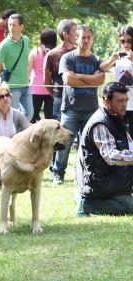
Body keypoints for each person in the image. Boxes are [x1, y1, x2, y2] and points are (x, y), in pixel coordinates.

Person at [52, 25, 105, 185]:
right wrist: (91, 78)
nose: (86, 40)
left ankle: (83, 174)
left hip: (91, 109)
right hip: (71, 108)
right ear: (77, 38)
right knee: (63, 143)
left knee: (89, 145)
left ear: (93, 39)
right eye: (83, 37)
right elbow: (68, 80)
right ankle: (58, 173)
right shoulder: (68, 58)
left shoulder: (97, 60)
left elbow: (101, 81)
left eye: (89, 37)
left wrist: (79, 77)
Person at [76, 82, 133, 215]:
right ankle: (86, 204)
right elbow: (111, 156)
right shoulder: (100, 123)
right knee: (130, 208)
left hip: (114, 180)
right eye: (120, 101)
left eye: (126, 100)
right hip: (100, 185)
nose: (124, 104)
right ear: (107, 101)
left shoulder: (117, 117)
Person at [0, 14, 33, 120]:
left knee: (29, 114)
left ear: (22, 27)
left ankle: (19, 136)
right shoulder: (4, 45)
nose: (11, 28)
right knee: (11, 117)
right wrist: (5, 79)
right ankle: (12, 136)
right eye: (9, 25)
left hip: (26, 85)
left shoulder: (26, 40)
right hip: (11, 87)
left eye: (14, 25)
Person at [100, 26, 133, 135]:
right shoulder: (120, 57)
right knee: (120, 134)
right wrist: (111, 59)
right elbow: (102, 67)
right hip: (119, 103)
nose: (126, 44)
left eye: (129, 41)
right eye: (122, 41)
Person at [43, 20, 78, 122]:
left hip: (79, 99)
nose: (78, 34)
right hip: (59, 99)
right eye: (75, 31)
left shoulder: (80, 52)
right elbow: (46, 82)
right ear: (65, 34)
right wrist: (56, 96)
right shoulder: (52, 55)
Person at [28, 28, 56, 123]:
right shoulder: (55, 54)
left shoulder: (35, 52)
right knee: (50, 118)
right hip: (50, 88)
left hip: (35, 88)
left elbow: (28, 70)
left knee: (32, 116)